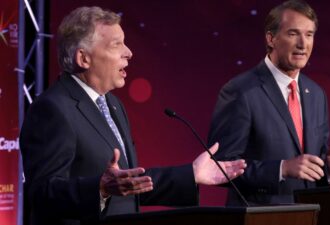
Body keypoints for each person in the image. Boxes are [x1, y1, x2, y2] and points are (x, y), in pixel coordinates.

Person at [20, 6, 246, 225]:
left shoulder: (113, 104)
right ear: (83, 58)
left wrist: (191, 174)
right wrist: (99, 189)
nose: (128, 53)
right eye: (116, 44)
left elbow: (130, 184)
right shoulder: (52, 109)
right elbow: (41, 194)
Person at [208, 0, 330, 206]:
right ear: (271, 38)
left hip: (307, 216)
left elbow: (312, 170)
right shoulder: (241, 91)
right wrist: (281, 169)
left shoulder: (317, 95)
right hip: (260, 218)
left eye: (309, 34)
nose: (303, 44)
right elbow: (219, 167)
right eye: (293, 34)